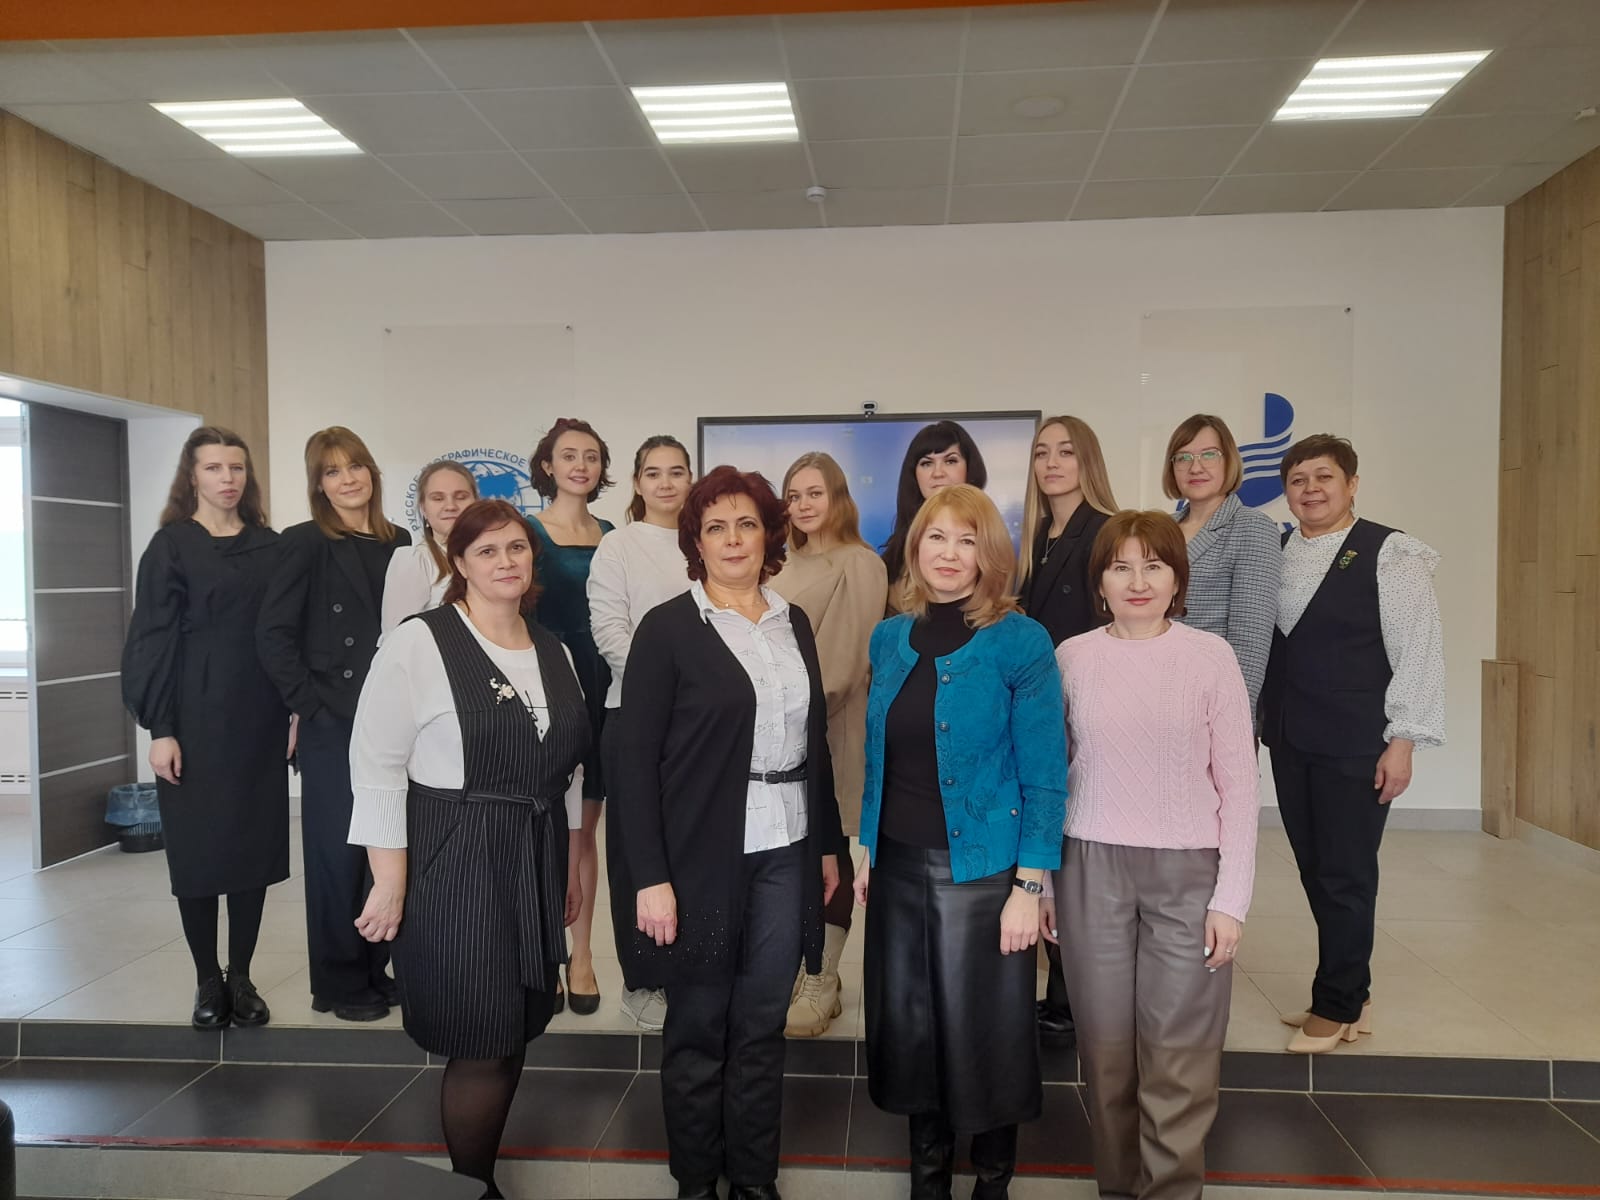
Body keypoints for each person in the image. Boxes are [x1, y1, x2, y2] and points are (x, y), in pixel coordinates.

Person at [349, 499, 586, 1199]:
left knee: (514, 1027)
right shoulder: (419, 643)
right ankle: (473, 1188)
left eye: (516, 547)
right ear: (458, 563)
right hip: (456, 856)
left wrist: (570, 866)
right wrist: (390, 881)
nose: (505, 561)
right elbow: (376, 766)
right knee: (480, 1035)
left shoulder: (554, 649)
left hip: (536, 850)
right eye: (487, 551)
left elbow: (569, 771)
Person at [619, 466, 845, 1200]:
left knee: (761, 1023)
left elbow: (814, 741)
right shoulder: (668, 629)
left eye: (747, 523)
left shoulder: (792, 622)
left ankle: (753, 1179)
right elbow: (632, 763)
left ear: (769, 535)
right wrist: (651, 876)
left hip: (786, 847)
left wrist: (827, 844)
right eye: (715, 527)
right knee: (698, 1024)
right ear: (696, 542)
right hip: (698, 858)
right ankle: (696, 1182)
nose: (733, 539)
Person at [857, 484, 1067, 1200]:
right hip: (897, 865)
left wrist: (1029, 886)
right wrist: (866, 845)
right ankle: (929, 1180)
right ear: (916, 546)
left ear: (990, 554)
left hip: (983, 874)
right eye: (937, 537)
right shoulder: (889, 636)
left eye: (967, 540)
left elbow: (1045, 774)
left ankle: (993, 1183)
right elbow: (880, 755)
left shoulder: (1021, 641)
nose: (949, 554)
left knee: (988, 1036)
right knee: (911, 1031)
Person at [1041, 509, 1258, 1200]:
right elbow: (1052, 776)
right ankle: (1117, 1189)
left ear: (1177, 579)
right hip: (1088, 868)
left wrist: (1231, 899)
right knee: (1106, 1054)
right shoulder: (1070, 658)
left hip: (1189, 872)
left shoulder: (1211, 657)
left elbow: (1240, 786)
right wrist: (1047, 885)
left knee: (1178, 1057)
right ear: (1100, 582)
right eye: (1121, 567)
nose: (1138, 581)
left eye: (1154, 566)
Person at [1261, 435, 1445, 1054]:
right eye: (1297, 480)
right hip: (1289, 736)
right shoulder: (1278, 550)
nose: (1310, 490)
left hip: (1357, 740)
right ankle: (1349, 990)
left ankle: (1336, 1005)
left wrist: (1404, 741)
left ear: (1352, 484)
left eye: (1324, 477)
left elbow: (1418, 651)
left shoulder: (1389, 553)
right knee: (1315, 867)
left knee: (1346, 871)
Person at [122, 427, 292, 1030]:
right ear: (192, 476)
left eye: (236, 467)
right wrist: (160, 728)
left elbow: (287, 633)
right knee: (198, 854)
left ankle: (241, 976)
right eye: (215, 467)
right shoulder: (171, 546)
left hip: (260, 717)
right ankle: (206, 977)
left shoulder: (271, 546)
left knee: (251, 850)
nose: (228, 478)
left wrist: (295, 708)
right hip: (192, 719)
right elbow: (151, 640)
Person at [258, 426, 411, 1022]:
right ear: (318, 485)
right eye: (332, 471)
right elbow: (273, 634)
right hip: (335, 719)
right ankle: (338, 981)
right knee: (337, 854)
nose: (348, 479)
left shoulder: (400, 541)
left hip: (394, 715)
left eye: (355, 466)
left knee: (387, 846)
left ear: (372, 472)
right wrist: (310, 706)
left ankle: (375, 967)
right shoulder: (305, 542)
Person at [770, 451, 888, 1037]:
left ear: (838, 497)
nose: (802, 505)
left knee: (830, 851)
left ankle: (824, 977)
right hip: (774, 736)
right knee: (793, 855)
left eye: (814, 493)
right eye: (793, 495)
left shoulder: (860, 563)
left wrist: (786, 713)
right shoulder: (778, 563)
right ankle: (800, 966)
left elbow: (845, 662)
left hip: (829, 729)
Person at [1014, 413, 1118, 1043]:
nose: (1052, 463)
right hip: (1042, 710)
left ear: (1088, 462)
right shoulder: (1037, 537)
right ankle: (1061, 993)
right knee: (1053, 851)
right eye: (1042, 452)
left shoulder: (1103, 531)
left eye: (1066, 452)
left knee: (1077, 857)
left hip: (1086, 710)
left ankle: (1073, 999)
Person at [586, 434, 695, 1033]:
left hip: (703, 722)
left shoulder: (705, 541)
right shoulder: (618, 546)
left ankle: (690, 969)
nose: (666, 483)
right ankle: (643, 980)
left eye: (677, 471)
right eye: (654, 473)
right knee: (637, 854)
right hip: (635, 715)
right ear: (636, 482)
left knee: (692, 848)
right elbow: (610, 629)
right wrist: (668, 690)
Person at [528, 417, 616, 1015]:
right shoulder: (530, 532)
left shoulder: (613, 534)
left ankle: (581, 956)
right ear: (548, 466)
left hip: (604, 687)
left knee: (585, 830)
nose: (580, 465)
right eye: (568, 456)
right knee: (549, 830)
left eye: (591, 456)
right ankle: (544, 951)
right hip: (549, 686)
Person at [1163, 414, 1282, 715]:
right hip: (1155, 692)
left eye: (1209, 455)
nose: (1195, 467)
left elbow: (1250, 644)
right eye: (1183, 457)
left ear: (1229, 461)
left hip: (1212, 703)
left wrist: (1231, 717)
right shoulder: (1161, 529)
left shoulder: (1252, 527)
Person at [880, 420, 988, 601]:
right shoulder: (897, 548)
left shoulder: (989, 532)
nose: (938, 473)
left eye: (950, 461)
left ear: (970, 467)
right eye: (926, 463)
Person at [381, 459, 478, 638]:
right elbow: (398, 638)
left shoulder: (493, 556)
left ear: (476, 503)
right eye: (438, 498)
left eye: (461, 497)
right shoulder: (413, 560)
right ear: (423, 508)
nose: (451, 506)